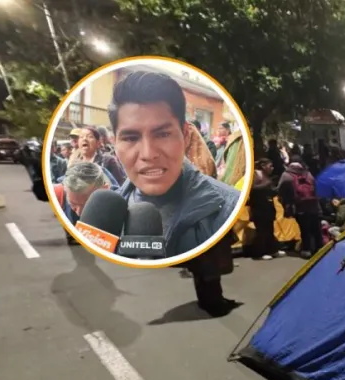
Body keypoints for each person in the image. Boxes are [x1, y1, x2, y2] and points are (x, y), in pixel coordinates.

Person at [109, 70, 241, 316]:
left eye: (162, 134)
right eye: (130, 137)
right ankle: (213, 303)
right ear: (114, 142)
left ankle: (214, 301)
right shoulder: (110, 217)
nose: (148, 153)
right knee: (205, 272)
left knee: (208, 273)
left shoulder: (221, 200)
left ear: (185, 135)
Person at [279, 155, 323, 258]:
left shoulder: (286, 175)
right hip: (313, 205)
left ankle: (307, 249)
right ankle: (319, 248)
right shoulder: (308, 173)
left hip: (299, 207)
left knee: (304, 229)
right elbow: (315, 187)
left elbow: (280, 189)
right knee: (316, 228)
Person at [248, 158, 284, 260]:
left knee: (270, 229)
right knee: (262, 230)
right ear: (263, 166)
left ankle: (272, 250)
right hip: (259, 207)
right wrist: (266, 185)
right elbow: (252, 189)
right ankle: (259, 253)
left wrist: (275, 190)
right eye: (270, 166)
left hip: (268, 206)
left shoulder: (267, 176)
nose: (272, 168)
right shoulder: (255, 174)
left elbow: (269, 191)